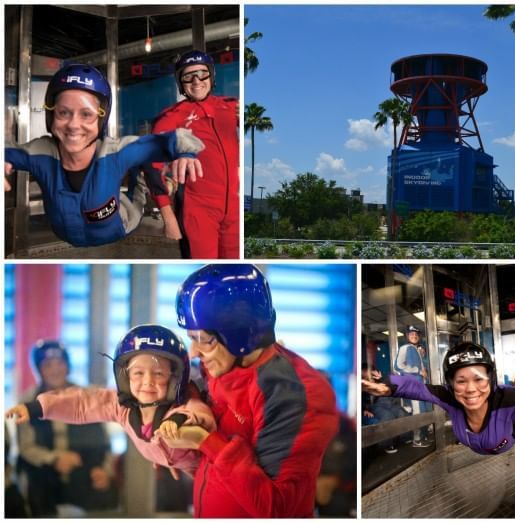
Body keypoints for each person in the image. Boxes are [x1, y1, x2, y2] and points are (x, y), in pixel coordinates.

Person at [160, 264, 339, 517]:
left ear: (239, 333)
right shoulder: (223, 363)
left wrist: (204, 441)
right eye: (191, 338)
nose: (194, 352)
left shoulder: (292, 394)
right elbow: (187, 389)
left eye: (203, 339)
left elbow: (275, 507)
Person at [4, 63, 203, 248]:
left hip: (121, 225)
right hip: (66, 233)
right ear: (50, 115)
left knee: (140, 161)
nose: (73, 125)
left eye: (86, 114)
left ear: (101, 119)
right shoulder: (40, 152)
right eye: (63, 113)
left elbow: (169, 140)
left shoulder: (114, 152)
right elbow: (6, 151)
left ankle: (138, 176)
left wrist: (185, 151)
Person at [6, 325, 215, 479]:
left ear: (174, 378)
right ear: (125, 377)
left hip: (213, 467)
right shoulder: (122, 408)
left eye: (159, 374)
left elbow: (199, 413)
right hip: (189, 471)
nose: (147, 382)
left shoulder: (182, 405)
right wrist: (36, 408)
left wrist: (177, 422)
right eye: (138, 373)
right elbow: (83, 403)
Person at [363, 342, 515, 455]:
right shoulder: (450, 398)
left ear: (491, 379)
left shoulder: (512, 398)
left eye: (479, 379)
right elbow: (416, 388)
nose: (471, 389)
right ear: (450, 384)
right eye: (461, 381)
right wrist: (388, 385)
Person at [6, 340, 118, 516]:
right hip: (43, 477)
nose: (55, 370)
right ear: (39, 369)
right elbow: (26, 448)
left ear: (68, 366)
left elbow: (104, 441)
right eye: (48, 365)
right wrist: (55, 458)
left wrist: (105, 470)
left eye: (60, 363)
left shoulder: (86, 395)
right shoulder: (28, 402)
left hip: (84, 472)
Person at [147, 50, 239, 259]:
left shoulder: (231, 106)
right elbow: (152, 167)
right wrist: (168, 217)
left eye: (202, 73)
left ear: (211, 76)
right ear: (181, 83)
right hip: (198, 211)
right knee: (205, 269)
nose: (197, 81)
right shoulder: (172, 116)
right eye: (188, 76)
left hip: (233, 209)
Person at [393, 325, 432, 447]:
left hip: (421, 386)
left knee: (424, 411)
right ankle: (417, 440)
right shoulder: (405, 347)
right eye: (411, 334)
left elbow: (424, 369)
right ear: (407, 336)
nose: (414, 336)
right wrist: (418, 371)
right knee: (418, 412)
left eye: (416, 335)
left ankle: (423, 436)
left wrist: (422, 357)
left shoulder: (418, 349)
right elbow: (398, 366)